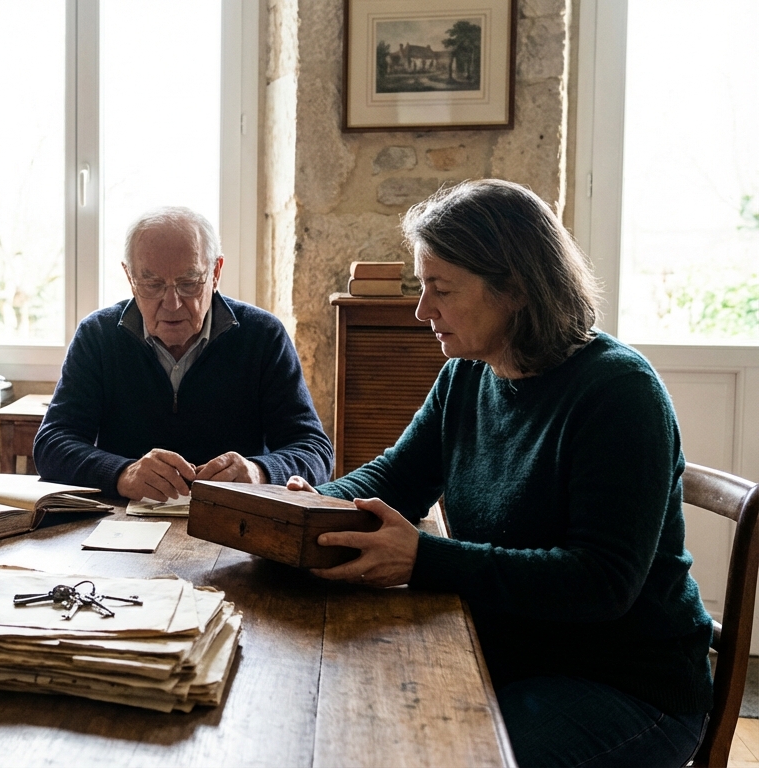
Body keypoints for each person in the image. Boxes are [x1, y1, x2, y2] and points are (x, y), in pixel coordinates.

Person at [288, 179, 712, 767]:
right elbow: (395, 476)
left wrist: (424, 559)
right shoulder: (469, 374)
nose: (421, 311)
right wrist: (309, 507)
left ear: (513, 288)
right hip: (510, 653)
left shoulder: (619, 393)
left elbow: (601, 583)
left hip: (626, 685)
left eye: (440, 290)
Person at [33, 206, 332, 501]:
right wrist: (122, 474)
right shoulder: (98, 336)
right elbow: (52, 445)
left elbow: (314, 449)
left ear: (215, 272)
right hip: (123, 527)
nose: (172, 303)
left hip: (238, 523)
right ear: (130, 278)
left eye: (189, 283)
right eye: (152, 284)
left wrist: (259, 472)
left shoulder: (263, 336)